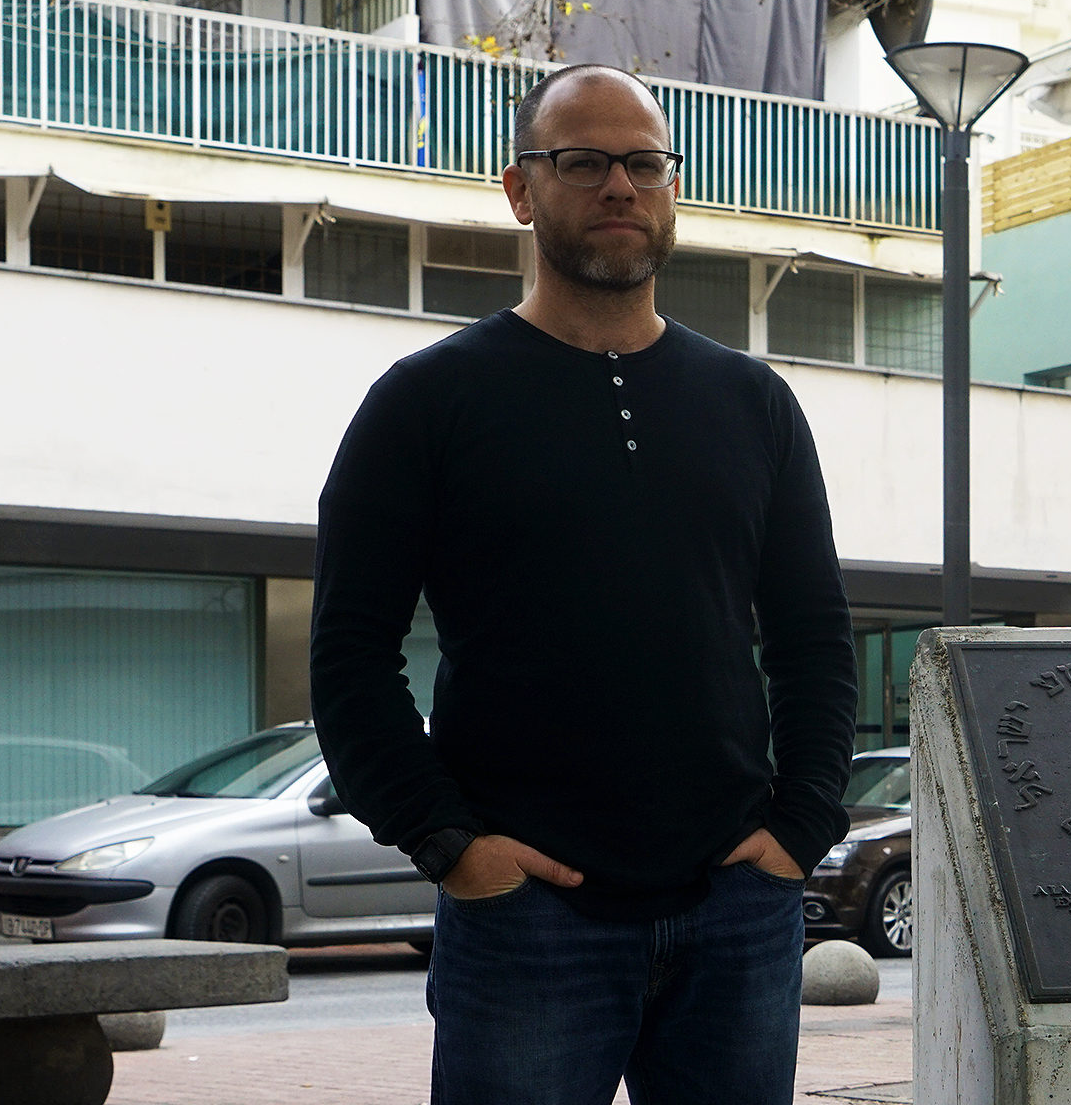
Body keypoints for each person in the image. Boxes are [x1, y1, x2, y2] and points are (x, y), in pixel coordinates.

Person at [309, 63, 857, 1105]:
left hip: (737, 911)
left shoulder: (756, 404)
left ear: (671, 188)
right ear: (520, 190)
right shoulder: (425, 403)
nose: (620, 186)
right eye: (583, 161)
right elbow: (347, 654)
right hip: (526, 920)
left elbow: (813, 637)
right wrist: (451, 845)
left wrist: (800, 830)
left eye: (645, 163)